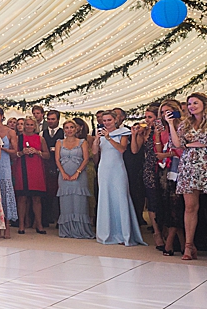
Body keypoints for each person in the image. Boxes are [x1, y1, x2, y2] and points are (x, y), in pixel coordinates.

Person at [93, 111, 145, 246]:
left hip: (117, 169)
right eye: (104, 120)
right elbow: (94, 152)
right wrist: (97, 139)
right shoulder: (101, 133)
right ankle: (107, 232)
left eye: (109, 120)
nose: (106, 123)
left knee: (120, 197)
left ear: (115, 120)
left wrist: (109, 138)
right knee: (105, 197)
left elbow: (122, 149)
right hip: (104, 168)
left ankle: (124, 234)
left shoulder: (123, 132)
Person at [166, 93, 207, 261]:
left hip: (204, 164)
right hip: (189, 166)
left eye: (195, 103)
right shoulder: (185, 124)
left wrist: (189, 144)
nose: (191, 106)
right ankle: (189, 246)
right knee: (190, 207)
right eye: (189, 104)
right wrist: (170, 124)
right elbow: (177, 144)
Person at [55, 120, 93, 239]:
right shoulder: (59, 142)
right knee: (65, 203)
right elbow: (57, 160)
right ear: (64, 130)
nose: (69, 129)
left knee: (79, 202)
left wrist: (78, 172)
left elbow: (86, 159)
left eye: (72, 127)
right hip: (63, 176)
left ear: (76, 129)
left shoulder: (82, 142)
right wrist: (63, 173)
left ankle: (81, 230)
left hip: (79, 175)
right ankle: (67, 230)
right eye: (67, 127)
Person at [131, 105, 163, 248]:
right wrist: (135, 134)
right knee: (152, 200)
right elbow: (134, 150)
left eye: (150, 117)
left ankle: (167, 231)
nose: (147, 120)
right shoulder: (145, 132)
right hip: (148, 169)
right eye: (146, 117)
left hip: (162, 166)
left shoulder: (162, 131)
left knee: (163, 200)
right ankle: (157, 233)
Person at [157, 99, 184, 256]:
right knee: (169, 205)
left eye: (168, 111)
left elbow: (180, 148)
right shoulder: (164, 129)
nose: (165, 115)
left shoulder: (182, 126)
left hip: (181, 168)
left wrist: (168, 154)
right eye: (162, 113)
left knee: (176, 204)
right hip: (166, 169)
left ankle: (169, 243)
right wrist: (157, 133)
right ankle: (183, 242)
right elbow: (159, 148)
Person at [13, 117, 49, 234]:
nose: (29, 127)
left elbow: (47, 155)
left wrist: (37, 152)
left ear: (35, 126)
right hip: (22, 169)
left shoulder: (40, 139)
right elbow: (13, 154)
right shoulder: (19, 138)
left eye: (31, 125)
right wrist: (22, 152)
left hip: (36, 170)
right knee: (22, 198)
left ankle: (39, 224)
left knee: (36, 199)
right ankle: (21, 225)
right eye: (26, 124)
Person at [0, 107, 17, 237]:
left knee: (5, 195)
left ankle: (7, 226)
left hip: (5, 164)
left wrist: (2, 149)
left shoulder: (10, 132)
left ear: (1, 115)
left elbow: (15, 152)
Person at [41, 110, 64, 226]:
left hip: (60, 166)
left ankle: (59, 219)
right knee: (46, 193)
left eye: (53, 119)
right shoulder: (42, 133)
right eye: (49, 119)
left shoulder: (63, 133)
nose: (50, 121)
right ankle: (46, 218)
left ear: (58, 120)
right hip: (46, 165)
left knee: (59, 193)